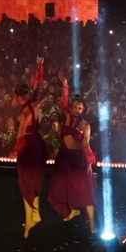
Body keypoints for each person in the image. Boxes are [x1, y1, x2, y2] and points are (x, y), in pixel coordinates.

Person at [49, 76, 96, 231]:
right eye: (75, 106)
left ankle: (92, 223)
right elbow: (63, 102)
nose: (77, 109)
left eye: (80, 107)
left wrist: (89, 163)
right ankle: (74, 210)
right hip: (64, 156)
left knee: (85, 189)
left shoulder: (85, 125)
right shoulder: (67, 116)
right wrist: (65, 85)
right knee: (64, 185)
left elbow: (86, 145)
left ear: (83, 108)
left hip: (78, 159)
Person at [11, 58, 48, 238]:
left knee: (26, 184)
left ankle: (30, 219)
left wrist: (14, 153)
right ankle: (35, 214)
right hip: (37, 144)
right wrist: (40, 66)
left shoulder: (25, 113)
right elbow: (38, 86)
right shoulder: (35, 102)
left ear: (18, 98)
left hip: (28, 148)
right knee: (33, 182)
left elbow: (19, 136)